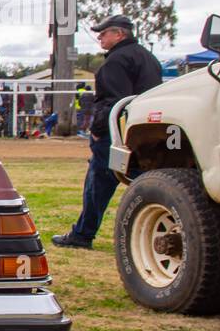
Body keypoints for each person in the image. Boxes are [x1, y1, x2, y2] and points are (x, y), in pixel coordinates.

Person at [52, 15, 162, 249]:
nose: (100, 37)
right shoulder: (148, 58)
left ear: (119, 34)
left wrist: (98, 129)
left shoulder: (117, 61)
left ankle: (82, 234)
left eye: (104, 33)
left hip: (116, 131)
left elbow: (115, 100)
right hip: (144, 131)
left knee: (98, 182)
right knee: (147, 182)